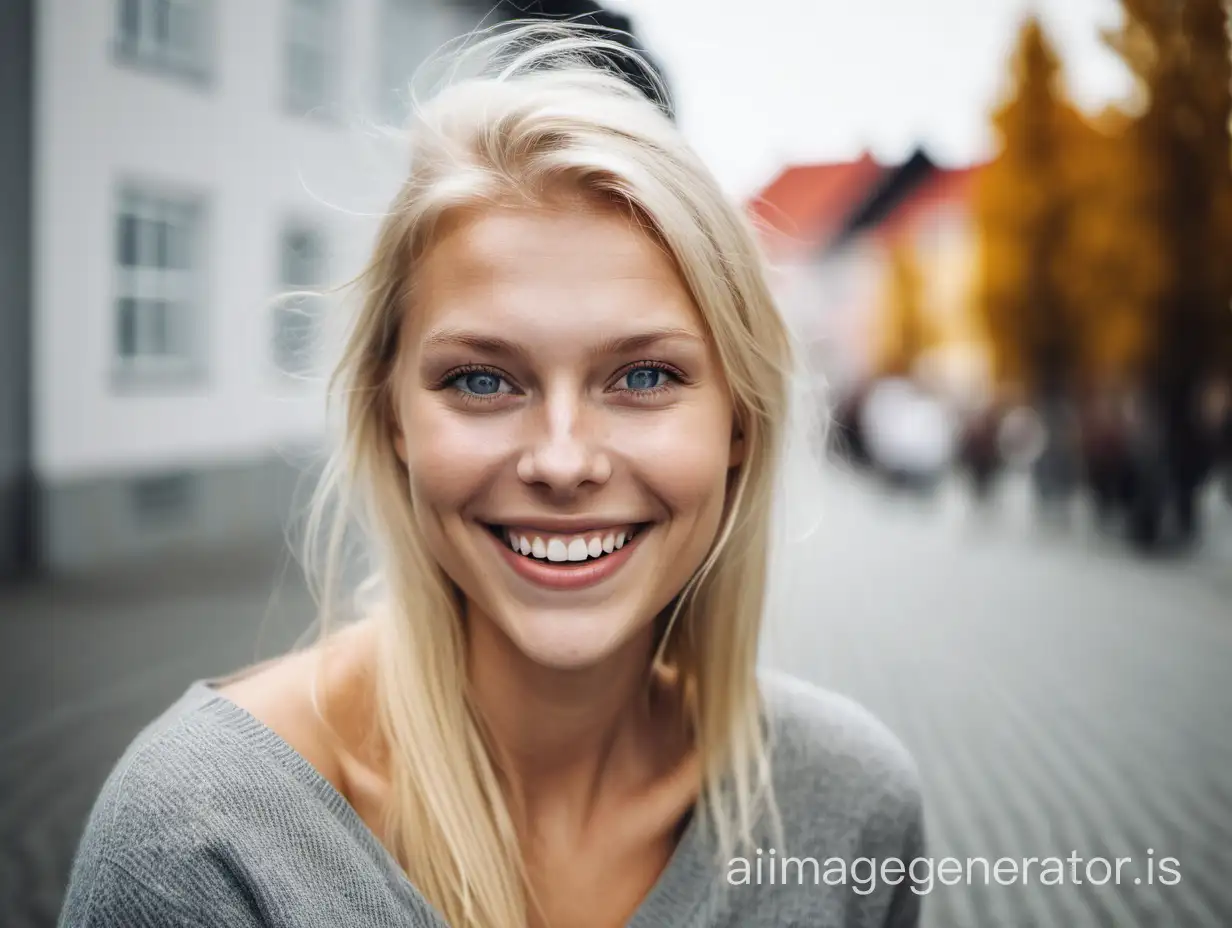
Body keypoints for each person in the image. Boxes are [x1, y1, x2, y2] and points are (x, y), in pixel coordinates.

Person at [59, 24, 924, 928]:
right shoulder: (202, 846)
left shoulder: (847, 812)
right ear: (392, 415)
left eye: (642, 377)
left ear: (739, 421)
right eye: (481, 380)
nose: (560, 460)